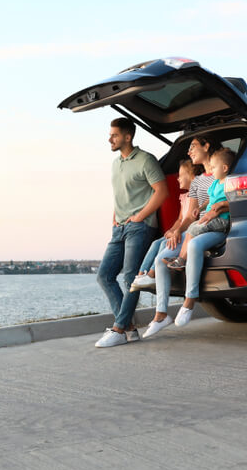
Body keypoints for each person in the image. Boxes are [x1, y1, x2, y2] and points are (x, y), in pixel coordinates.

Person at [143, 147, 235, 338]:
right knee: (161, 259)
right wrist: (178, 229)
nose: (189, 151)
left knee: (193, 243)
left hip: (214, 226)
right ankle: (161, 314)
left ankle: (189, 301)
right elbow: (189, 214)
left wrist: (219, 206)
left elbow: (234, 199)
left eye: (193, 146)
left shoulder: (229, 180)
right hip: (200, 225)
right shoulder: (206, 181)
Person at [94, 117, 169, 348]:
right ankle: (128, 327)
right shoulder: (116, 163)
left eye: (114, 135)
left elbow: (162, 191)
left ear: (128, 137)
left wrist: (140, 216)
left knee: (130, 278)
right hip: (119, 228)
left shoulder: (146, 160)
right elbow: (120, 196)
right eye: (110, 135)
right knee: (104, 276)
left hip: (140, 226)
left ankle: (119, 329)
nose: (110, 139)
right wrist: (114, 218)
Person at [129, 159, 198, 292]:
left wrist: (177, 231)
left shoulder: (196, 196)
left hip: (186, 230)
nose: (178, 178)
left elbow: (190, 219)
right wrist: (171, 230)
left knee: (163, 244)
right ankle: (141, 275)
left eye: (181, 175)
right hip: (180, 228)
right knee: (156, 243)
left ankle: (152, 274)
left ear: (192, 176)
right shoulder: (184, 196)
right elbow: (180, 219)